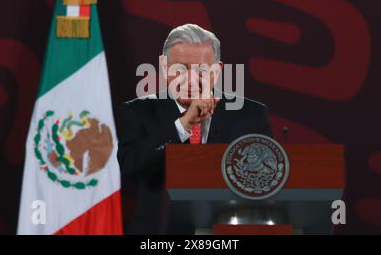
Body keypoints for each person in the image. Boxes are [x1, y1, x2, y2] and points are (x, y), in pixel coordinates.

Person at [116, 24, 273, 234]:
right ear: (164, 66)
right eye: (180, 69)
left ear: (216, 72)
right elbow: (130, 169)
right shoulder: (138, 111)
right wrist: (183, 125)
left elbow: (268, 183)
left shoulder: (251, 114)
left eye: (201, 70)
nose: (190, 79)